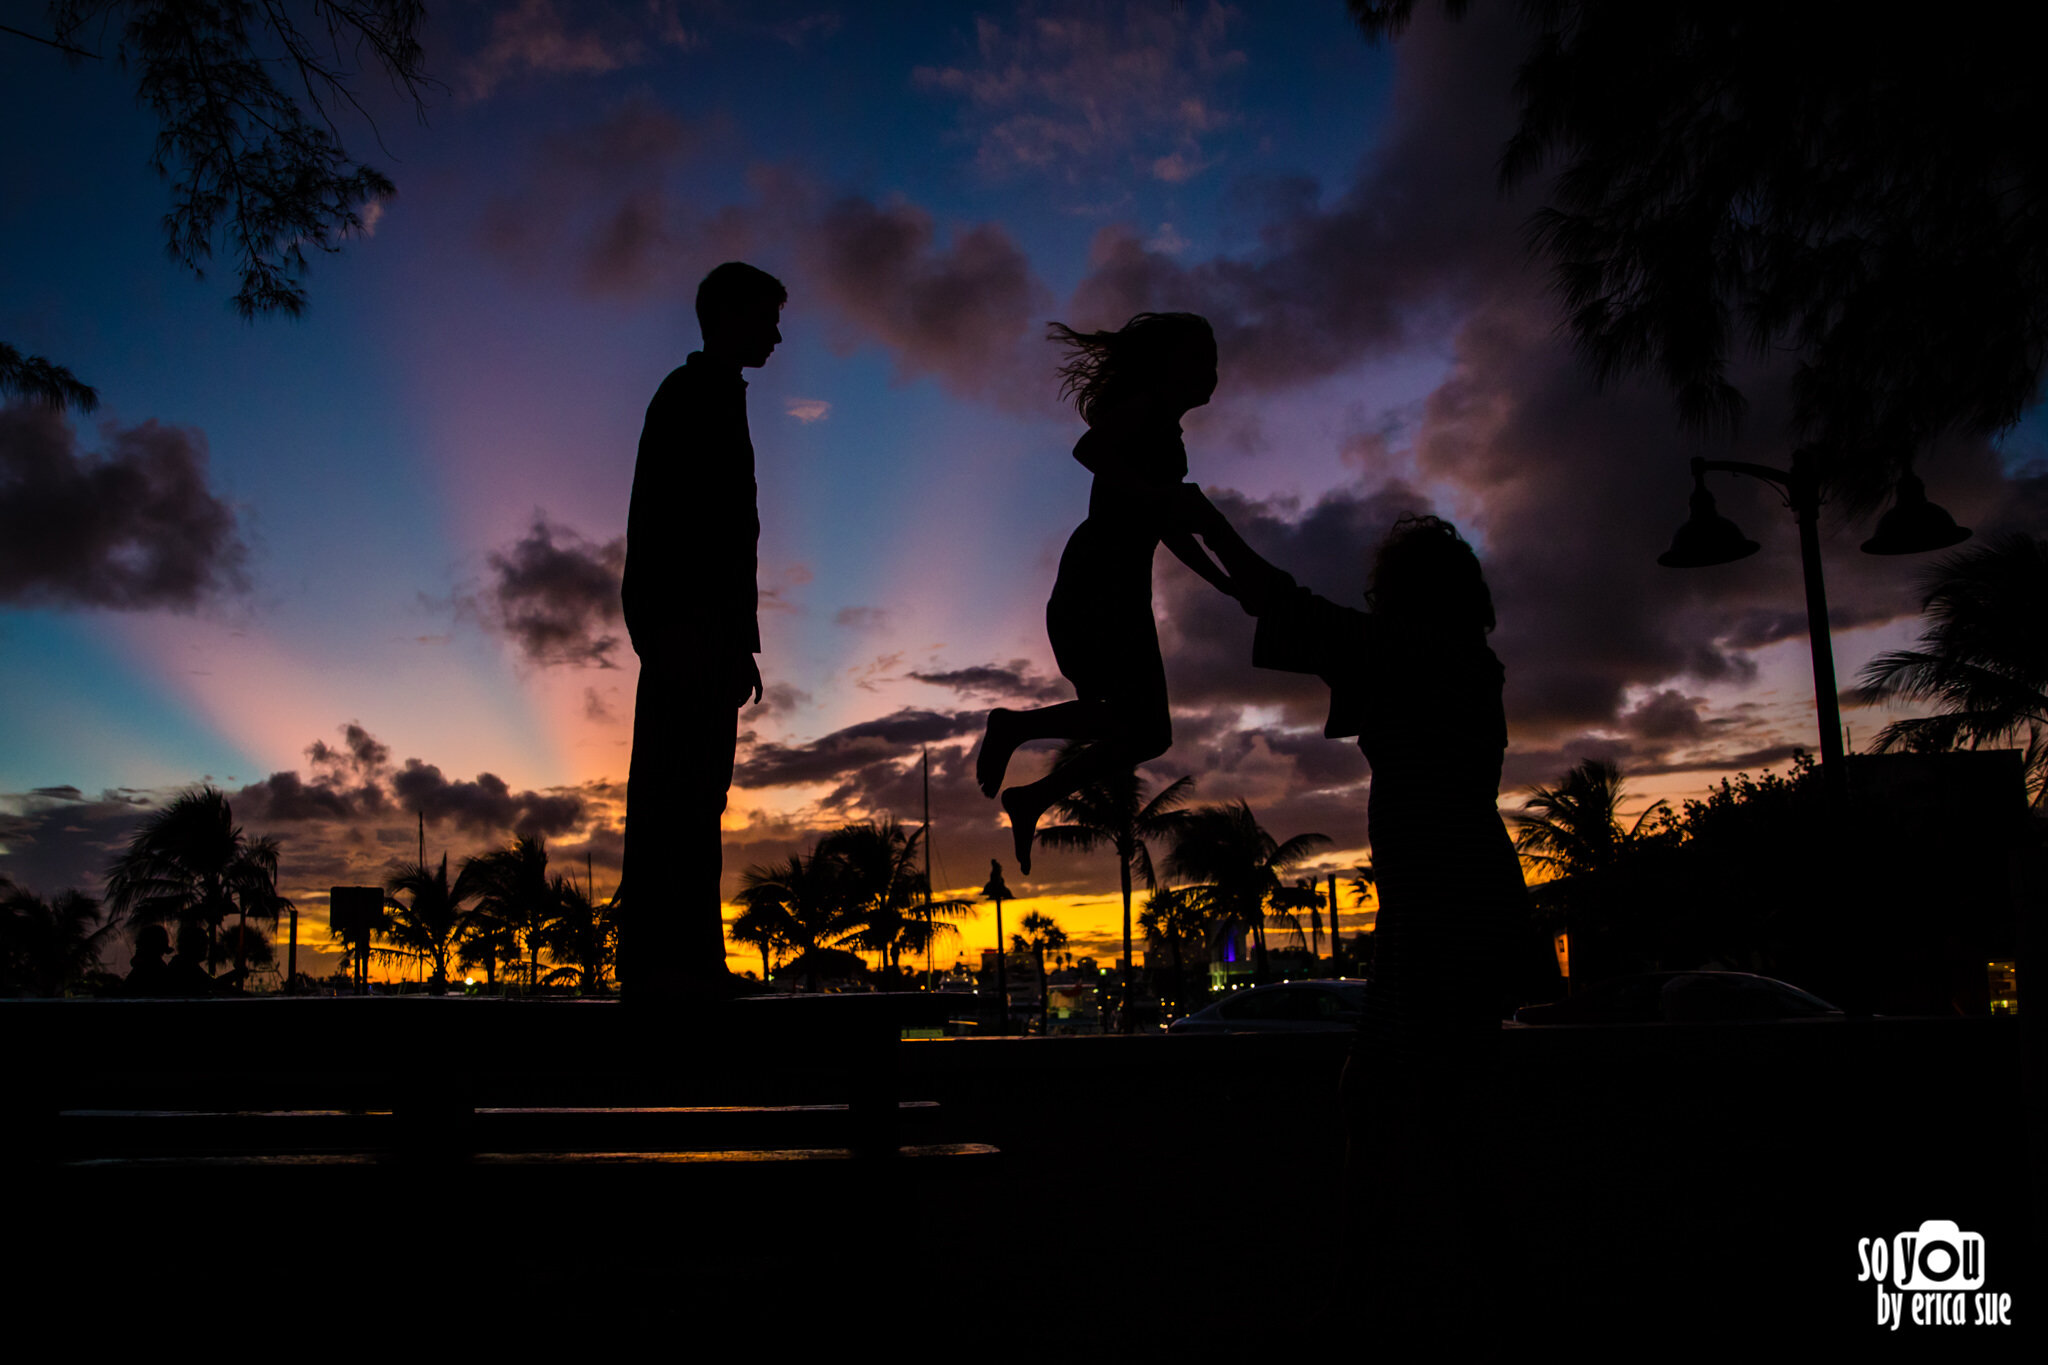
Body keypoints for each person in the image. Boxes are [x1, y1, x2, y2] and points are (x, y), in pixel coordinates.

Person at [1188, 500, 1526, 1330]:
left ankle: (1381, 1301)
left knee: (1398, 1104)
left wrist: (1191, 516)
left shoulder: (1430, 656)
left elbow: (1289, 603)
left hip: (1447, 909)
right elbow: (1277, 606)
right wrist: (1192, 538)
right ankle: (1424, 1295)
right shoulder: (1451, 661)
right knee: (1432, 1110)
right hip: (1444, 906)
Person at [976, 312, 1235, 873]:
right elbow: (1089, 450)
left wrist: (1225, 584)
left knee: (1144, 729)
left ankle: (1032, 794)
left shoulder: (1167, 432)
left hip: (1119, 583)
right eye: (1198, 359)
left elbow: (1168, 528)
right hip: (1100, 578)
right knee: (1142, 725)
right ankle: (1014, 730)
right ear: (1168, 366)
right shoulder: (1143, 410)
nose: (1211, 372)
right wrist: (1154, 495)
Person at [618, 262, 785, 1003]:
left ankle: (687, 958)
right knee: (677, 796)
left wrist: (740, 639)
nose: (777, 334)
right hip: (685, 628)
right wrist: (677, 631)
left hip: (706, 632)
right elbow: (672, 525)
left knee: (698, 797)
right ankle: (668, 962)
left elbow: (728, 536)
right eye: (765, 318)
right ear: (727, 317)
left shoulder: (716, 397)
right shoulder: (690, 397)